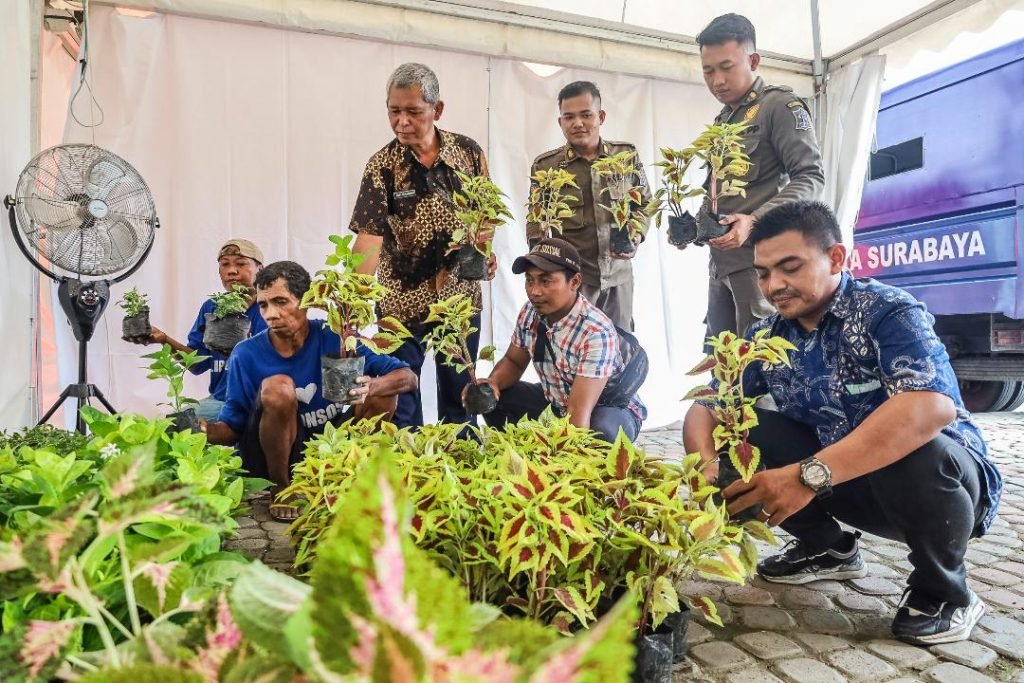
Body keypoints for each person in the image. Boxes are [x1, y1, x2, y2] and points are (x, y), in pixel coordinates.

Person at [682, 201, 1002, 645]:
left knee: (916, 445)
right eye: (763, 273)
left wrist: (805, 475)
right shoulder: (765, 336)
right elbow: (708, 403)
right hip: (844, 480)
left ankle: (945, 590)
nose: (774, 285)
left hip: (933, 486)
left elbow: (930, 406)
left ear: (835, 258)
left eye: (790, 268)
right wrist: (703, 468)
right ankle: (827, 547)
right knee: (743, 434)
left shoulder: (887, 311)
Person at [202, 261, 417, 520]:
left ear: (306, 301)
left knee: (384, 393)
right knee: (279, 386)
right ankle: (282, 490)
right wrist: (203, 431)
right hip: (269, 455)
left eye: (281, 302)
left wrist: (373, 385)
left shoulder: (335, 337)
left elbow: (408, 377)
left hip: (326, 447)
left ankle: (352, 478)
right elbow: (233, 426)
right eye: (263, 305)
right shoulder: (246, 353)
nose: (270, 314)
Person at [349, 62, 495, 430]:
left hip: (459, 302)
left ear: (437, 109)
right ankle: (408, 477)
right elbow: (368, 236)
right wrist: (351, 302)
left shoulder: (468, 153)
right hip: (400, 304)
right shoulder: (381, 166)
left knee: (459, 400)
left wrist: (484, 252)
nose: (401, 121)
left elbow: (485, 214)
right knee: (402, 401)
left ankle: (461, 473)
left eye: (412, 111)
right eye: (394, 111)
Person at [690, 13, 824, 341]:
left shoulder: (778, 106)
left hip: (762, 265)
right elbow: (720, 192)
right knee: (721, 364)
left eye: (726, 67)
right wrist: (694, 225)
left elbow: (810, 178)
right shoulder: (723, 121)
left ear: (753, 60)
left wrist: (755, 220)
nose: (717, 80)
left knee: (760, 364)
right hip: (722, 264)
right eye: (708, 71)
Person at [469, 238, 646, 442]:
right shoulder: (530, 312)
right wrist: (492, 384)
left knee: (602, 433)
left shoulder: (595, 332)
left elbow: (579, 412)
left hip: (605, 407)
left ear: (575, 282)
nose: (535, 291)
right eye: (529, 280)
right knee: (495, 399)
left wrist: (561, 466)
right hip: (558, 403)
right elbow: (514, 361)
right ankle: (519, 452)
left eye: (546, 281)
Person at [527, 81, 651, 330]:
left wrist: (636, 235)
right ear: (560, 122)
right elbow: (536, 222)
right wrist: (545, 271)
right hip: (574, 281)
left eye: (586, 115)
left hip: (618, 278)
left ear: (601, 116)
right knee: (575, 348)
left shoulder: (624, 157)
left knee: (621, 348)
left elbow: (644, 203)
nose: (578, 123)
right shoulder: (547, 167)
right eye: (569, 117)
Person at [126, 238, 267, 421]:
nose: (232, 270)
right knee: (171, 427)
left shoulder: (272, 307)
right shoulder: (212, 308)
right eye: (225, 265)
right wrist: (164, 340)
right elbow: (197, 364)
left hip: (263, 403)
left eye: (241, 263)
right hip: (220, 401)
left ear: (260, 270)